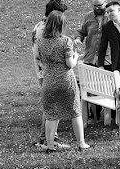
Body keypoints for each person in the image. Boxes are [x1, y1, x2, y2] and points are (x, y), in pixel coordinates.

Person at [38, 10, 90, 151]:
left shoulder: (41, 42)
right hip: (65, 80)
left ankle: (49, 145)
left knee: (51, 114)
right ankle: (81, 143)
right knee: (75, 111)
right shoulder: (65, 41)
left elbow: (41, 60)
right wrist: (76, 56)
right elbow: (70, 64)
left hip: (49, 80)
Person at [32, 0, 68, 148]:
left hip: (43, 71)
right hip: (49, 71)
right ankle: (48, 139)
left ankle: (47, 138)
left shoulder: (39, 25)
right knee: (53, 106)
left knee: (51, 105)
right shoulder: (45, 29)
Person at [75, 0, 108, 67]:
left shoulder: (111, 17)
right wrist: (78, 39)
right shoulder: (88, 17)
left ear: (106, 3)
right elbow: (81, 32)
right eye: (94, 6)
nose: (97, 8)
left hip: (106, 61)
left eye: (99, 5)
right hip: (90, 59)